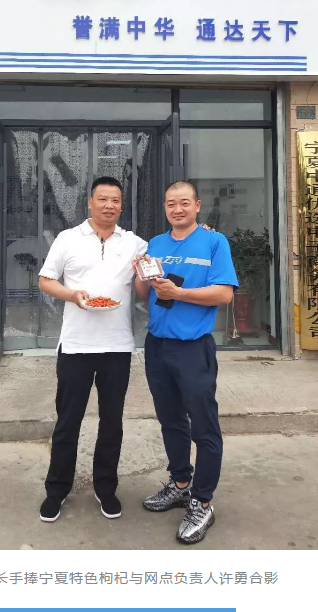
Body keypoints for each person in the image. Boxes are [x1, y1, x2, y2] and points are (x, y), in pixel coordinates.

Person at [133, 180, 238, 544]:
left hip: (194, 348)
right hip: (157, 346)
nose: (177, 209)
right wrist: (140, 274)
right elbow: (144, 293)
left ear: (197, 206)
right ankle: (180, 484)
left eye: (183, 203)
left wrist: (178, 293)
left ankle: (202, 502)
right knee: (171, 421)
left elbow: (224, 294)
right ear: (165, 208)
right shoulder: (156, 244)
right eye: (170, 204)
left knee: (204, 427)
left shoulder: (214, 242)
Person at [38, 176, 147, 522]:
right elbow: (45, 280)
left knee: (112, 421)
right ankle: (57, 489)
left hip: (117, 347)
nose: (109, 205)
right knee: (67, 421)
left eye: (115, 200)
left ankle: (106, 488)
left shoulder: (134, 243)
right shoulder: (68, 238)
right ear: (90, 202)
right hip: (76, 346)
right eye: (103, 199)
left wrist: (202, 230)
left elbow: (162, 260)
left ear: (121, 205)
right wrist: (72, 294)